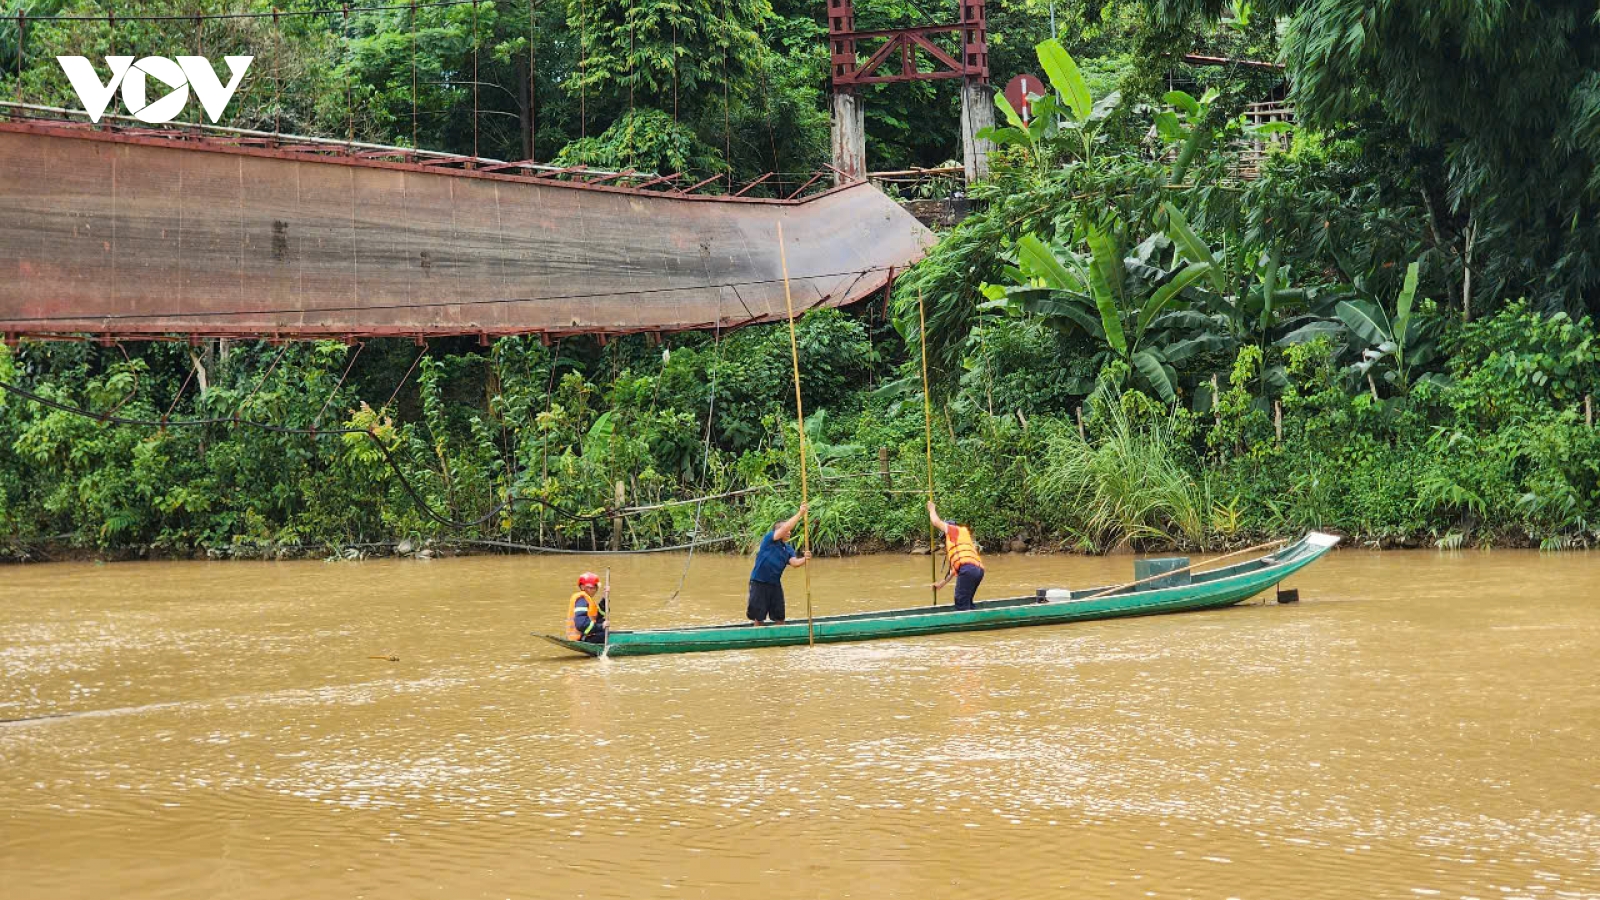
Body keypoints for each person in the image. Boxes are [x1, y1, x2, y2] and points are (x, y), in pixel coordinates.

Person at [747, 503, 811, 626]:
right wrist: (800, 514)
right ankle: (758, 634)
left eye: (790, 531)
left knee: (780, 617)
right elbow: (785, 528)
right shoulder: (769, 539)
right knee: (759, 618)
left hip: (775, 585)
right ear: (778, 531)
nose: (789, 532)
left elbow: (795, 563)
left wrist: (805, 559)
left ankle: (780, 634)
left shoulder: (788, 549)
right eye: (787, 530)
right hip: (759, 582)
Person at [928, 501, 984, 610]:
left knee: (960, 601)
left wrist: (932, 509)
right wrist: (941, 584)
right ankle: (972, 614)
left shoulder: (953, 530)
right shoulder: (960, 541)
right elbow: (953, 571)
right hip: (977, 570)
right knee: (966, 601)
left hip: (969, 570)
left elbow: (935, 521)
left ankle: (965, 618)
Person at [565, 571, 608, 644]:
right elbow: (581, 624)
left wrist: (604, 599)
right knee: (604, 634)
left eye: (595, 588)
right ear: (582, 587)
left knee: (602, 622)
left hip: (585, 634)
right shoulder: (581, 600)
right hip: (581, 637)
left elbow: (598, 616)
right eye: (591, 588)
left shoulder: (587, 599)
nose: (594, 590)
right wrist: (601, 627)